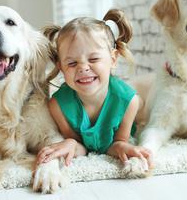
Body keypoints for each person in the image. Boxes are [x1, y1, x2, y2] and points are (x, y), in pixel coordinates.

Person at [37, 9, 152, 169]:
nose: (83, 68)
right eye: (71, 63)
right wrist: (70, 143)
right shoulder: (57, 105)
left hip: (131, 104)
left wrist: (121, 146)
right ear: (61, 68)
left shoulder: (129, 102)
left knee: (144, 107)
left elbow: (117, 143)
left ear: (113, 59)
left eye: (94, 59)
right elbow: (81, 146)